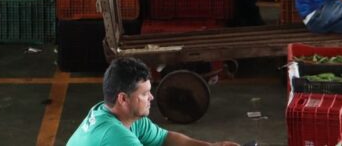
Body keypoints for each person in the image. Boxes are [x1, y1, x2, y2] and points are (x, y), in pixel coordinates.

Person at [67, 57, 240, 146]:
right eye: (145, 94)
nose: (152, 97)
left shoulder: (123, 117)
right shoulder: (115, 135)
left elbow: (165, 139)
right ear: (123, 98)